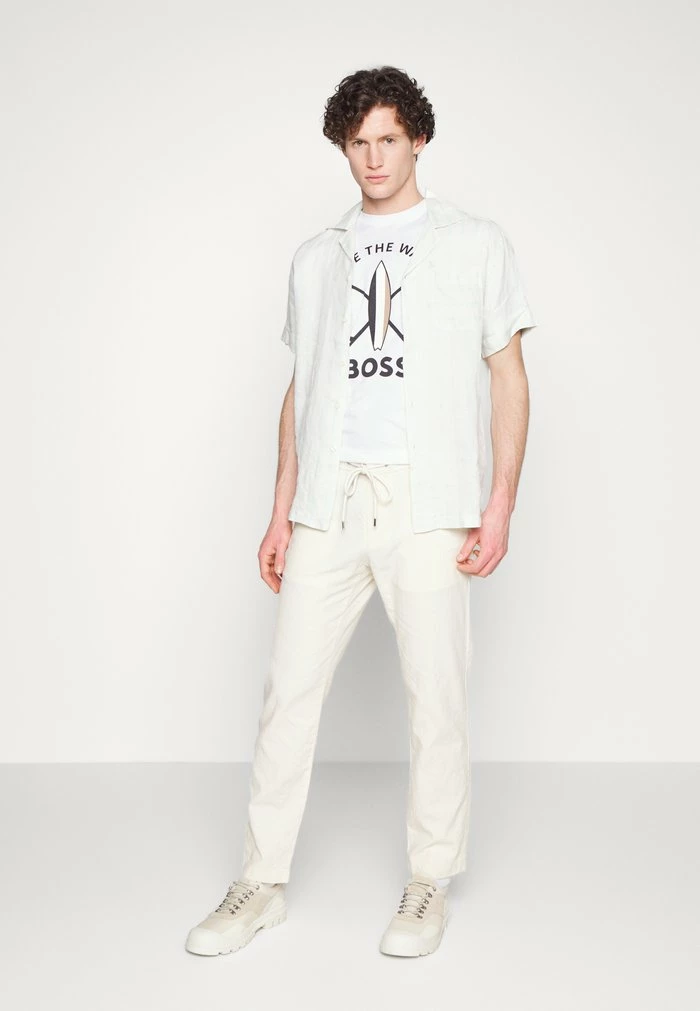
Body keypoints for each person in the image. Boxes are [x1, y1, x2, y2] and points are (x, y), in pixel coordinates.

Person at [186, 65, 537, 959]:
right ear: (342, 149)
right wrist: (281, 511)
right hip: (328, 501)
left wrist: (499, 502)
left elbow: (508, 375)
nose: (374, 158)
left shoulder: (475, 243)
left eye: (388, 139)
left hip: (429, 499)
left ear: (418, 140)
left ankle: (430, 881)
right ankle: (260, 882)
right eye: (358, 143)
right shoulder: (318, 257)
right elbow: (301, 389)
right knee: (288, 694)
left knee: (436, 696)